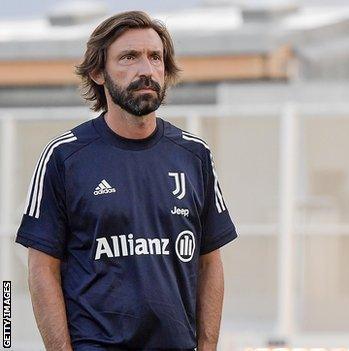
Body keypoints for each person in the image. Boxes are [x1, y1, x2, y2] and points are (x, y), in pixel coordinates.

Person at [15, 11, 237, 350]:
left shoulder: (194, 155)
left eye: (155, 57)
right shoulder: (64, 157)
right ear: (98, 72)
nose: (146, 70)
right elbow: (42, 267)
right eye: (129, 57)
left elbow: (210, 262)